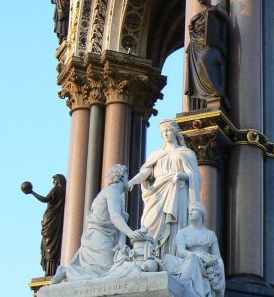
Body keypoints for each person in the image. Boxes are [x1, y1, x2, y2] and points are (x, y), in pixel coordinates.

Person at [52, 164, 145, 283]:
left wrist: (121, 249)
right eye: (127, 177)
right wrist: (131, 233)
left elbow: (117, 224)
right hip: (99, 237)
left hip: (104, 236)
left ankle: (68, 271)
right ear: (121, 177)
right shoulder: (112, 191)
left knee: (108, 269)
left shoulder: (113, 194)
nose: (128, 180)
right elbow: (115, 217)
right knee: (104, 271)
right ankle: (68, 271)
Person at [128, 119, 202, 258]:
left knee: (175, 226)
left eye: (168, 130)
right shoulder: (156, 154)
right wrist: (132, 181)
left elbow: (196, 177)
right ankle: (149, 257)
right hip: (157, 193)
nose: (165, 134)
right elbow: (146, 172)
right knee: (148, 224)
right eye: (163, 132)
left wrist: (180, 175)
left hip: (177, 193)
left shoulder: (186, 153)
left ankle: (170, 257)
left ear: (175, 132)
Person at [163, 202, 225, 297]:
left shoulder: (210, 234)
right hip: (188, 260)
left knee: (193, 259)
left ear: (201, 213)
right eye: (190, 210)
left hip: (205, 264)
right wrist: (199, 255)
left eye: (194, 210)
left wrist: (220, 277)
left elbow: (217, 257)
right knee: (167, 258)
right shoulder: (182, 232)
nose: (190, 213)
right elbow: (181, 252)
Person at [185, 0, 229, 110]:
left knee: (204, 60)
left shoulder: (216, 8)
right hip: (196, 45)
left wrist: (215, 12)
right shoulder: (197, 16)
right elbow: (192, 31)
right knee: (198, 69)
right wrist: (191, 27)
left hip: (209, 44)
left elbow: (227, 20)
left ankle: (215, 91)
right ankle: (201, 100)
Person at [23, 174, 66, 276]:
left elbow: (45, 199)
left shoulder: (56, 190)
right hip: (53, 219)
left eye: (54, 179)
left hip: (51, 219)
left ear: (58, 180)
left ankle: (50, 271)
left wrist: (31, 192)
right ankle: (52, 269)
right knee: (52, 243)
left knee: (49, 244)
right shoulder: (64, 191)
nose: (53, 182)